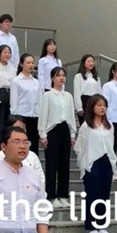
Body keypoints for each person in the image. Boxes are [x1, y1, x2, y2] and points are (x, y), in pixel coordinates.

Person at [74, 94, 117, 233]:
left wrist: (113, 164)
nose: (102, 108)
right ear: (92, 107)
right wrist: (84, 164)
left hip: (106, 162)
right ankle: (91, 227)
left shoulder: (109, 126)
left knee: (104, 196)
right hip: (92, 163)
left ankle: (102, 226)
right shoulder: (86, 126)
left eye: (104, 105)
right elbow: (79, 147)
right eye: (99, 105)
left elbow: (111, 146)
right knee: (92, 195)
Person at [38, 67, 77, 208]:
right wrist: (42, 134)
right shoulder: (47, 95)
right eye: (58, 75)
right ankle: (51, 195)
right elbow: (43, 115)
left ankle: (63, 195)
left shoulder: (68, 96)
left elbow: (71, 115)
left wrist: (72, 133)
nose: (61, 78)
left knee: (64, 164)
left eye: (63, 75)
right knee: (51, 164)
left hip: (65, 129)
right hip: (52, 130)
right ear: (52, 78)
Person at [0, 115, 45, 187]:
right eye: (17, 129)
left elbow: (41, 179)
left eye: (23, 128)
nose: (21, 132)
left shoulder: (32, 156)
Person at [10, 53, 41, 155]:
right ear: (21, 64)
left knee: (34, 145)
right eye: (28, 63)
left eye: (32, 63)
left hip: (35, 116)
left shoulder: (36, 82)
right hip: (22, 116)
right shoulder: (16, 81)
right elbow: (14, 101)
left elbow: (40, 100)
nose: (31, 65)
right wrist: (15, 119)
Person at [73, 54, 102, 125]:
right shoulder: (78, 76)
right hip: (85, 101)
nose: (91, 63)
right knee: (85, 125)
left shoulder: (96, 77)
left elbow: (99, 91)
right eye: (89, 61)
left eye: (92, 61)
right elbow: (77, 92)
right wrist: (79, 107)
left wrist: (101, 104)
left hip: (95, 101)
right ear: (83, 63)